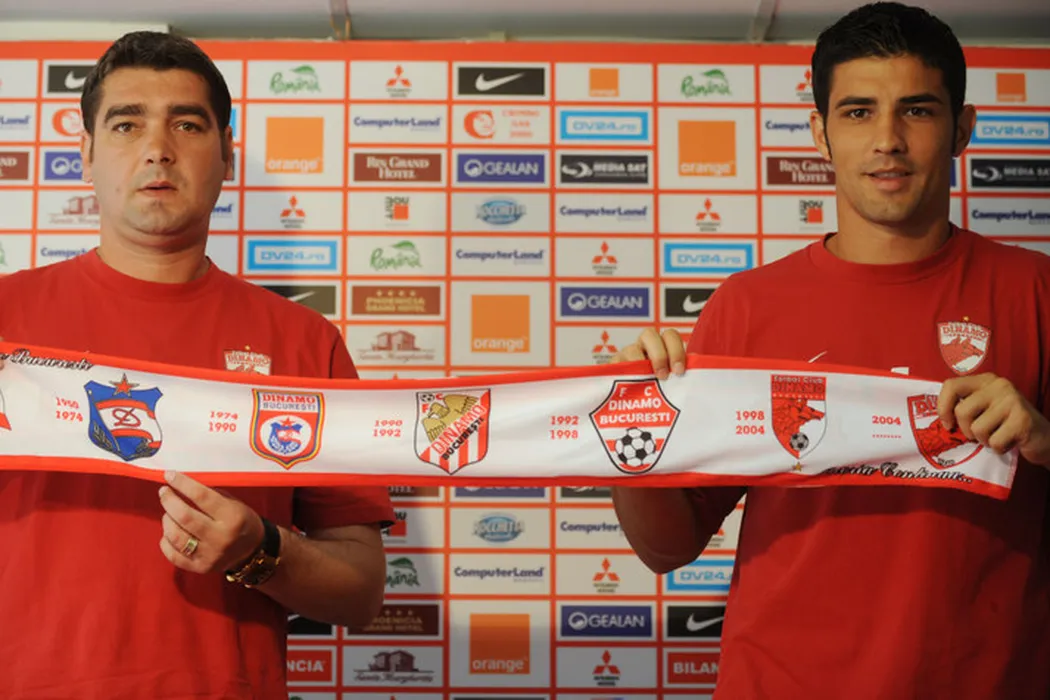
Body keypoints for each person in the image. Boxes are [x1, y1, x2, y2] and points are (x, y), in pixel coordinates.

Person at [610, 3, 1050, 699]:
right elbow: (669, 547)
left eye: (917, 110)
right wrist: (628, 427)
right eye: (857, 113)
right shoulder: (748, 306)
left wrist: (1044, 441)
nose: (887, 140)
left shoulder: (1037, 290)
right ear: (820, 133)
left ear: (963, 129)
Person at [0, 32, 395, 698]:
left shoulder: (305, 342)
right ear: (87, 153)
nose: (158, 148)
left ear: (227, 153)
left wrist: (261, 551)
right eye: (127, 124)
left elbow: (360, 593)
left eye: (186, 124)